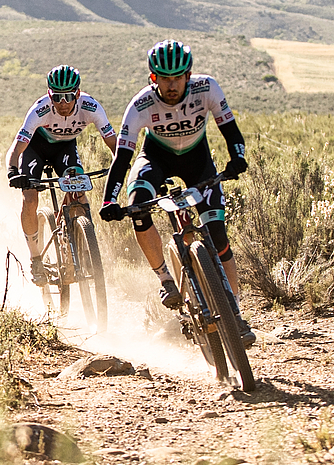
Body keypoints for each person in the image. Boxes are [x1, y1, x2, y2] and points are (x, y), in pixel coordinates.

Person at [97, 40, 256, 341]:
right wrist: (109, 199)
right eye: (164, 79)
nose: (172, 85)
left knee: (219, 236)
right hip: (154, 159)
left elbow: (230, 129)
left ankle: (235, 313)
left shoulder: (207, 88)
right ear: (153, 78)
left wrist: (237, 157)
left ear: (189, 75)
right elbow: (122, 159)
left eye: (178, 77)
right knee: (138, 207)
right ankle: (164, 278)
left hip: (198, 161)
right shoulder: (140, 105)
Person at [6, 65, 119, 285]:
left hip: (64, 149)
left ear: (77, 93)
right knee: (30, 198)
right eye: (58, 97)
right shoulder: (39, 110)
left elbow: (113, 143)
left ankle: (86, 243)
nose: (64, 102)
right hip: (35, 150)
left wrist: (122, 163)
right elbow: (17, 147)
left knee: (78, 190)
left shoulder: (91, 106)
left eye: (69, 96)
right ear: (50, 95)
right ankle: (36, 258)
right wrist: (13, 171)